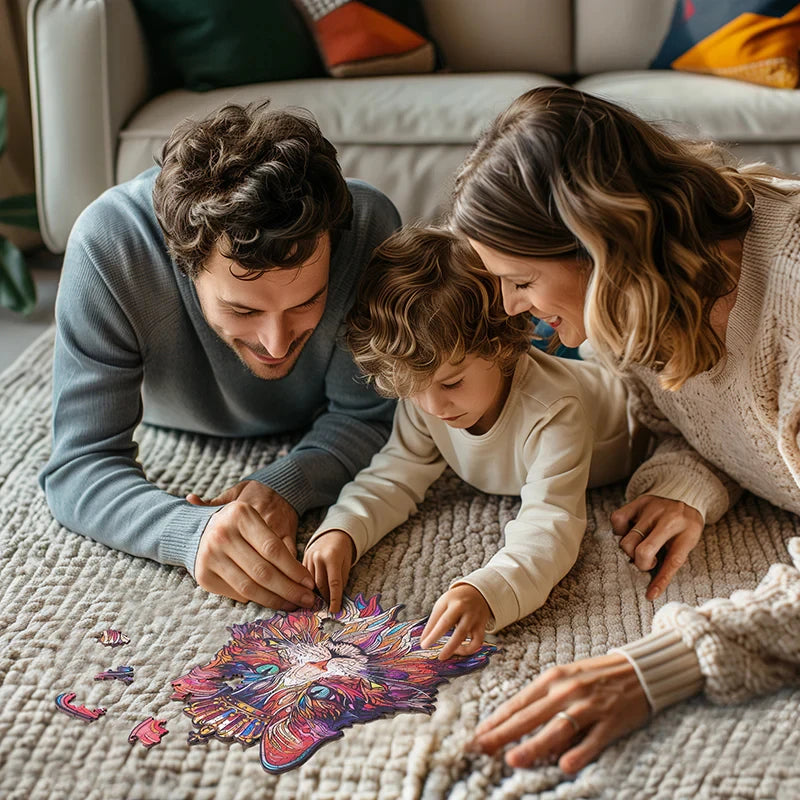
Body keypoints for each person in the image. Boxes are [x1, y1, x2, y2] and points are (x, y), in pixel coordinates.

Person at [449, 86, 800, 773]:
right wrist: (686, 484)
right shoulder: (626, 307)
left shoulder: (790, 283)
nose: (511, 309)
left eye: (518, 280)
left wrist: (661, 666)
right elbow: (698, 422)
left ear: (595, 246)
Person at [40, 102, 400, 610]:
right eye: (243, 309)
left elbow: (370, 418)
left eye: (306, 303)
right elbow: (78, 465)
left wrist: (286, 485)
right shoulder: (110, 245)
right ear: (183, 262)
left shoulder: (367, 228)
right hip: (171, 420)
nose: (276, 344)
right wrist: (191, 530)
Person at [301, 227, 633, 658]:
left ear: (503, 345)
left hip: (637, 411)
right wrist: (344, 529)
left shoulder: (553, 409)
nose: (433, 405)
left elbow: (553, 522)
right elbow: (395, 472)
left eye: (452, 382)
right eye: (414, 388)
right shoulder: (426, 393)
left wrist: (489, 589)